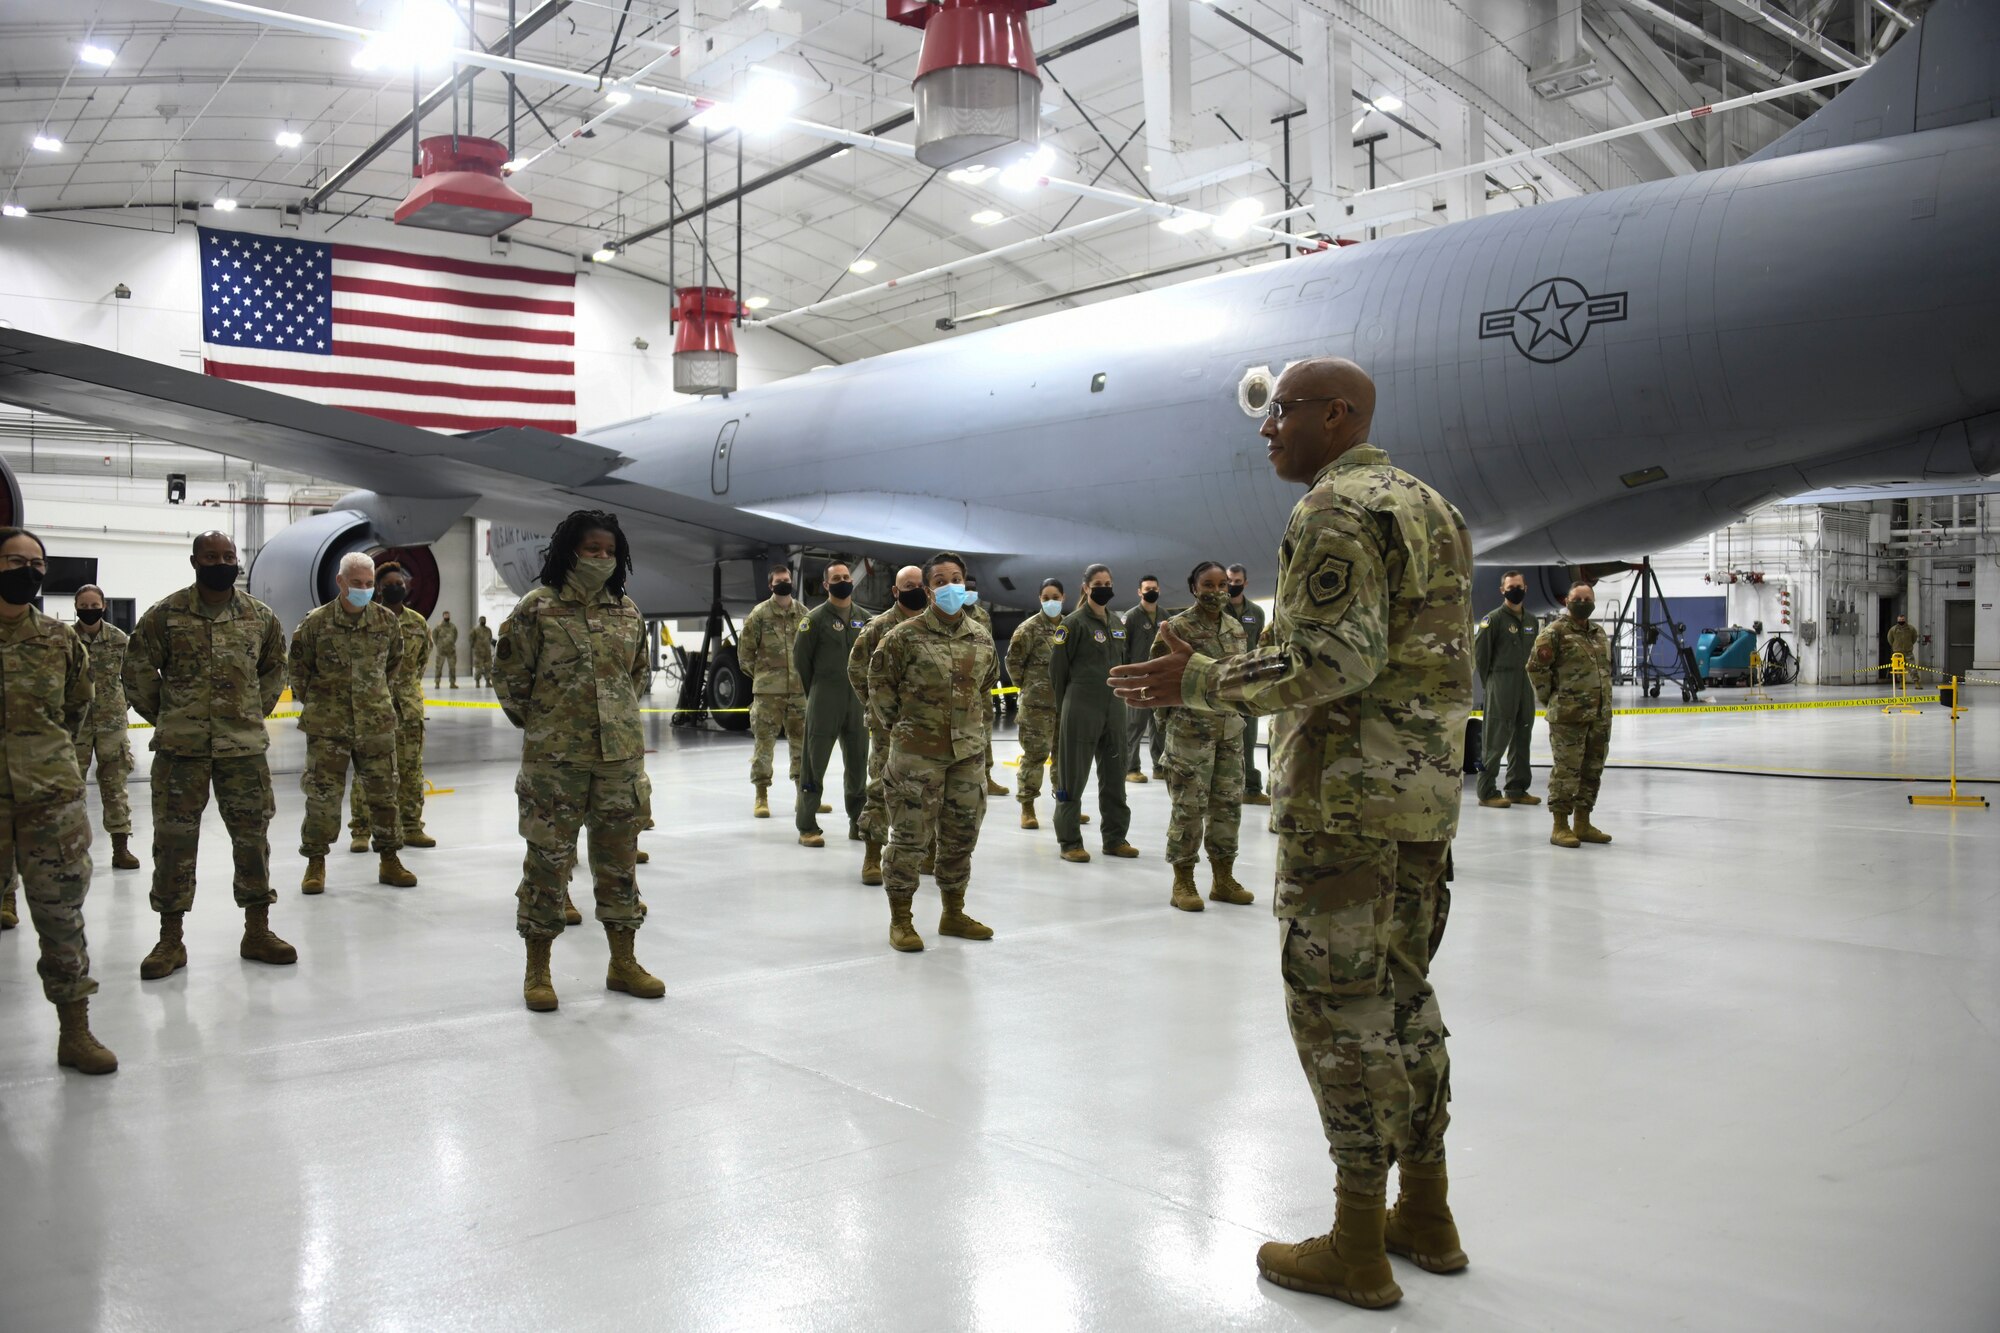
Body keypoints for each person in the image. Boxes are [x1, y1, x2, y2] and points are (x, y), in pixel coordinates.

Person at [1113, 357, 1472, 1310]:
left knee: (1337, 1009)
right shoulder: (1432, 507)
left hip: (1346, 806)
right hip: (1422, 803)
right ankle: (1425, 1212)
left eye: (1284, 412)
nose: (1269, 429)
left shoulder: (1335, 508)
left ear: (1338, 414)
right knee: (1404, 997)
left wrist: (1200, 682)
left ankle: (1357, 1244)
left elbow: (1334, 659)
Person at [493, 509, 662, 1012]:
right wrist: (549, 725)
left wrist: (614, 725)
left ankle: (622, 963)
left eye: (609, 552)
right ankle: (538, 969)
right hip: (555, 763)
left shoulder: (627, 612)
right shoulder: (536, 609)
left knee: (619, 864)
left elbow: (637, 677)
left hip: (619, 762)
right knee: (546, 863)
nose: (602, 559)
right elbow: (511, 681)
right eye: (593, 550)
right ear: (570, 551)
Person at [124, 531, 296, 980]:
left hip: (243, 750)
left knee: (252, 842)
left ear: (238, 561)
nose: (221, 562)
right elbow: (138, 670)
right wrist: (170, 716)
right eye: (211, 556)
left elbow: (276, 668)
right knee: (174, 845)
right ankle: (170, 939)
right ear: (195, 561)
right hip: (181, 752)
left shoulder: (260, 617)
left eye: (228, 556)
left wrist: (249, 713)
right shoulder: (166, 614)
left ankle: (257, 930)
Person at [0, 528, 116, 1073]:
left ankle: (75, 1031)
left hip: (48, 800)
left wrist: (45, 760)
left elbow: (76, 708)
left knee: (60, 913)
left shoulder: (57, 638)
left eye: (36, 563)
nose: (28, 570)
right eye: (14, 561)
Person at [868, 551, 998, 952]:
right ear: (928, 590)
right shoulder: (903, 636)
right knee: (909, 839)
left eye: (956, 578)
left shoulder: (980, 635)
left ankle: (953, 912)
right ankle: (901, 920)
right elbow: (878, 687)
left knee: (961, 838)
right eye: (940, 580)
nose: (950, 585)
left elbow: (985, 687)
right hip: (916, 756)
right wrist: (905, 729)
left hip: (967, 754)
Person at [290, 552, 415, 894]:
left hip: (375, 723)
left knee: (385, 794)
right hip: (327, 727)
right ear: (340, 582)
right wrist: (322, 702)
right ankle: (316, 863)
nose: (363, 589)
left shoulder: (386, 622)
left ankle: (389, 859)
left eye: (369, 583)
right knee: (322, 798)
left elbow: (393, 664)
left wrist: (372, 697)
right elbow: (298, 672)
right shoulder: (315, 623)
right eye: (357, 583)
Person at [1153, 562, 1253, 912]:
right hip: (1189, 735)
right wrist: (1168, 727)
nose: (1216, 591)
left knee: (1227, 807)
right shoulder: (1176, 628)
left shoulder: (1236, 627)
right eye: (1208, 585)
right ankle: (1183, 880)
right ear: (1193, 588)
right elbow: (1158, 683)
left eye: (1222, 585)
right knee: (1189, 808)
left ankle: (1223, 878)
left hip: (1229, 731)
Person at [1048, 564, 1138, 862]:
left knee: (1115, 775)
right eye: (1098, 583)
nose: (1104, 587)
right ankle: (1069, 841)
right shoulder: (1071, 625)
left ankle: (1115, 838)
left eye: (1108, 582)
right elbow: (1058, 672)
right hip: (1080, 708)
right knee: (1072, 777)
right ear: (1086, 587)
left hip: (1114, 708)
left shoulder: (1117, 623)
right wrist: (1065, 710)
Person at [849, 565, 928, 885]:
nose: (916, 590)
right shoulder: (878, 627)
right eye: (908, 585)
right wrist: (876, 706)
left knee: (928, 790)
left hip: (928, 724)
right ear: (895, 591)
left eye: (920, 584)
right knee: (881, 787)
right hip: (889, 727)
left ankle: (927, 852)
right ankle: (872, 854)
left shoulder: (935, 624)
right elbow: (856, 670)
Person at [347, 562, 434, 853]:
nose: (396, 587)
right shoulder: (365, 621)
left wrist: (406, 692)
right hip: (374, 708)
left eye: (400, 582)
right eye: (389, 584)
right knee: (369, 772)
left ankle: (412, 827)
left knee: (411, 770)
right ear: (378, 589)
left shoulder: (418, 623)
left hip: (408, 709)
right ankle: (361, 830)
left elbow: (421, 661)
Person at [1528, 581, 1614, 849]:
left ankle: (1583, 822)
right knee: (1567, 771)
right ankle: (1560, 826)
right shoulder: (1554, 633)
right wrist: (1552, 699)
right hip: (1568, 717)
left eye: (1588, 598)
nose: (1583, 602)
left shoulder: (1599, 633)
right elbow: (1535, 669)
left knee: (1592, 770)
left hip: (1599, 716)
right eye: (1578, 598)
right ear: (1567, 601)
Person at [794, 560, 871, 848]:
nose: (842, 580)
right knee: (813, 765)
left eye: (846, 576)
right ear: (826, 585)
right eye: (836, 577)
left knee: (858, 764)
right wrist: (817, 692)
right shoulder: (813, 620)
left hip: (857, 702)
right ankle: (807, 825)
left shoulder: (865, 619)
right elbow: (802, 663)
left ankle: (858, 822)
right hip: (824, 699)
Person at [70, 584, 141, 870]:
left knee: (115, 787)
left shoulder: (119, 639)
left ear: (104, 606)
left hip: (112, 724)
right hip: (75, 726)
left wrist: (123, 705)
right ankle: (72, 849)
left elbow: (133, 677)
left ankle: (120, 848)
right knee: (71, 789)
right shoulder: (66, 639)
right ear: (76, 607)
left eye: (94, 605)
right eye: (84, 606)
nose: (89, 611)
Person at [739, 566, 807, 818]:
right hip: (768, 694)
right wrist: (763, 677)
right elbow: (745, 653)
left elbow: (811, 650)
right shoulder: (760, 614)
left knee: (801, 746)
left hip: (798, 691)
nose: (784, 584)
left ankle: (804, 796)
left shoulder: (803, 613)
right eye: (779, 581)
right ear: (771, 585)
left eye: (787, 581)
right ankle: (761, 796)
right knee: (764, 746)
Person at [1473, 570, 1542, 810]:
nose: (1516, 590)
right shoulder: (1492, 620)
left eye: (1519, 586)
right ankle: (1486, 790)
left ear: (1526, 588)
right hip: (1501, 682)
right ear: (1502, 590)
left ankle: (1517, 788)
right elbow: (1480, 658)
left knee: (1524, 735)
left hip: (1524, 683)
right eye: (1511, 586)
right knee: (1495, 738)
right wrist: (1491, 684)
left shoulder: (1532, 621)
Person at [1006, 579, 1066, 829]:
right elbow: (1013, 662)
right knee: (1034, 756)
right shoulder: (1028, 628)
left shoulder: (1070, 626)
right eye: (1045, 597)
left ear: (1063, 597)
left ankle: (1066, 807)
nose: (1050, 601)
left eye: (1055, 596)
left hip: (1064, 704)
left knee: (1065, 759)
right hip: (1035, 706)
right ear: (1039, 599)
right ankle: (1027, 807)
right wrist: (1030, 686)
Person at [1227, 563, 1270, 806]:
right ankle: (1224, 788)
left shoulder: (1255, 611)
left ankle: (1251, 788)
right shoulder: (1217, 610)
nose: (1233, 585)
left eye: (1237, 581)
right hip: (1222, 680)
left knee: (1248, 736)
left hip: (1248, 682)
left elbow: (1258, 644)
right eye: (1229, 581)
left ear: (1245, 583)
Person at [964, 575, 1010, 797]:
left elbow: (989, 648)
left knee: (986, 729)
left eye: (973, 588)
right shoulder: (948, 614)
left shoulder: (982, 616)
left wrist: (991, 677)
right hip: (957, 684)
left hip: (981, 684)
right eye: (966, 588)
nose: (970, 591)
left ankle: (986, 777)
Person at [1122, 574, 1167, 783]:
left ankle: (1159, 766)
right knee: (1135, 724)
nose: (1151, 591)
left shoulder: (1165, 616)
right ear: (1139, 592)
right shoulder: (1131, 617)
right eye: (1147, 588)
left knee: (1158, 725)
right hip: (1137, 678)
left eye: (1154, 588)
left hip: (1158, 678)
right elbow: (1123, 648)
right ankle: (1131, 768)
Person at [431, 611, 459, 688]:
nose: (447, 616)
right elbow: (434, 636)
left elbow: (455, 635)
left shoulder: (453, 626)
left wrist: (451, 643)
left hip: (451, 651)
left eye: (448, 615)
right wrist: (439, 645)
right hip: (441, 651)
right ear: (443, 616)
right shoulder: (438, 626)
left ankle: (452, 683)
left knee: (452, 668)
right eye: (445, 615)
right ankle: (437, 683)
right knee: (438, 667)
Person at [470, 614, 495, 687]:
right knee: (478, 668)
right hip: (478, 652)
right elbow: (471, 639)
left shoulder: (488, 630)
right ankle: (477, 682)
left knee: (488, 667)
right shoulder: (475, 630)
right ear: (479, 621)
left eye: (484, 620)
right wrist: (474, 647)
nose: (483, 621)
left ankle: (488, 681)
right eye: (481, 620)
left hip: (487, 652)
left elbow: (490, 638)